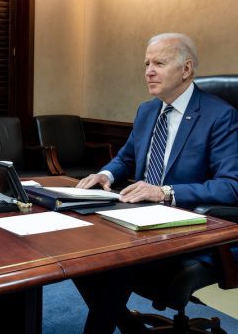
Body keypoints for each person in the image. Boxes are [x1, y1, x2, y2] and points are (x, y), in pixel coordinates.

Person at [73, 33, 238, 334]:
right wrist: (105, 175)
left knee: (112, 261)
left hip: (191, 227)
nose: (148, 70)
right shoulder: (147, 110)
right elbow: (125, 158)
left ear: (186, 69)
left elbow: (231, 185)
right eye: (147, 62)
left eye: (159, 63)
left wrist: (165, 193)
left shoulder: (220, 115)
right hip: (140, 220)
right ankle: (128, 325)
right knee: (77, 252)